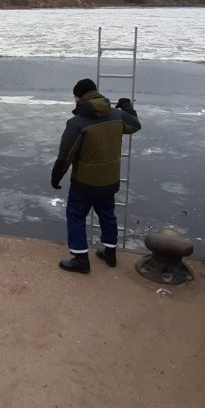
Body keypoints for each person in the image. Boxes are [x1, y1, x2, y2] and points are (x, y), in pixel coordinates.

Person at [51, 78, 141, 273]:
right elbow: (135, 125)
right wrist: (127, 106)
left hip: (84, 183)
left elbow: (65, 156)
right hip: (109, 180)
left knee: (75, 215)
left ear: (79, 98)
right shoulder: (117, 115)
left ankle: (81, 260)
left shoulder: (77, 123)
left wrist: (56, 177)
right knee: (107, 215)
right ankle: (110, 254)